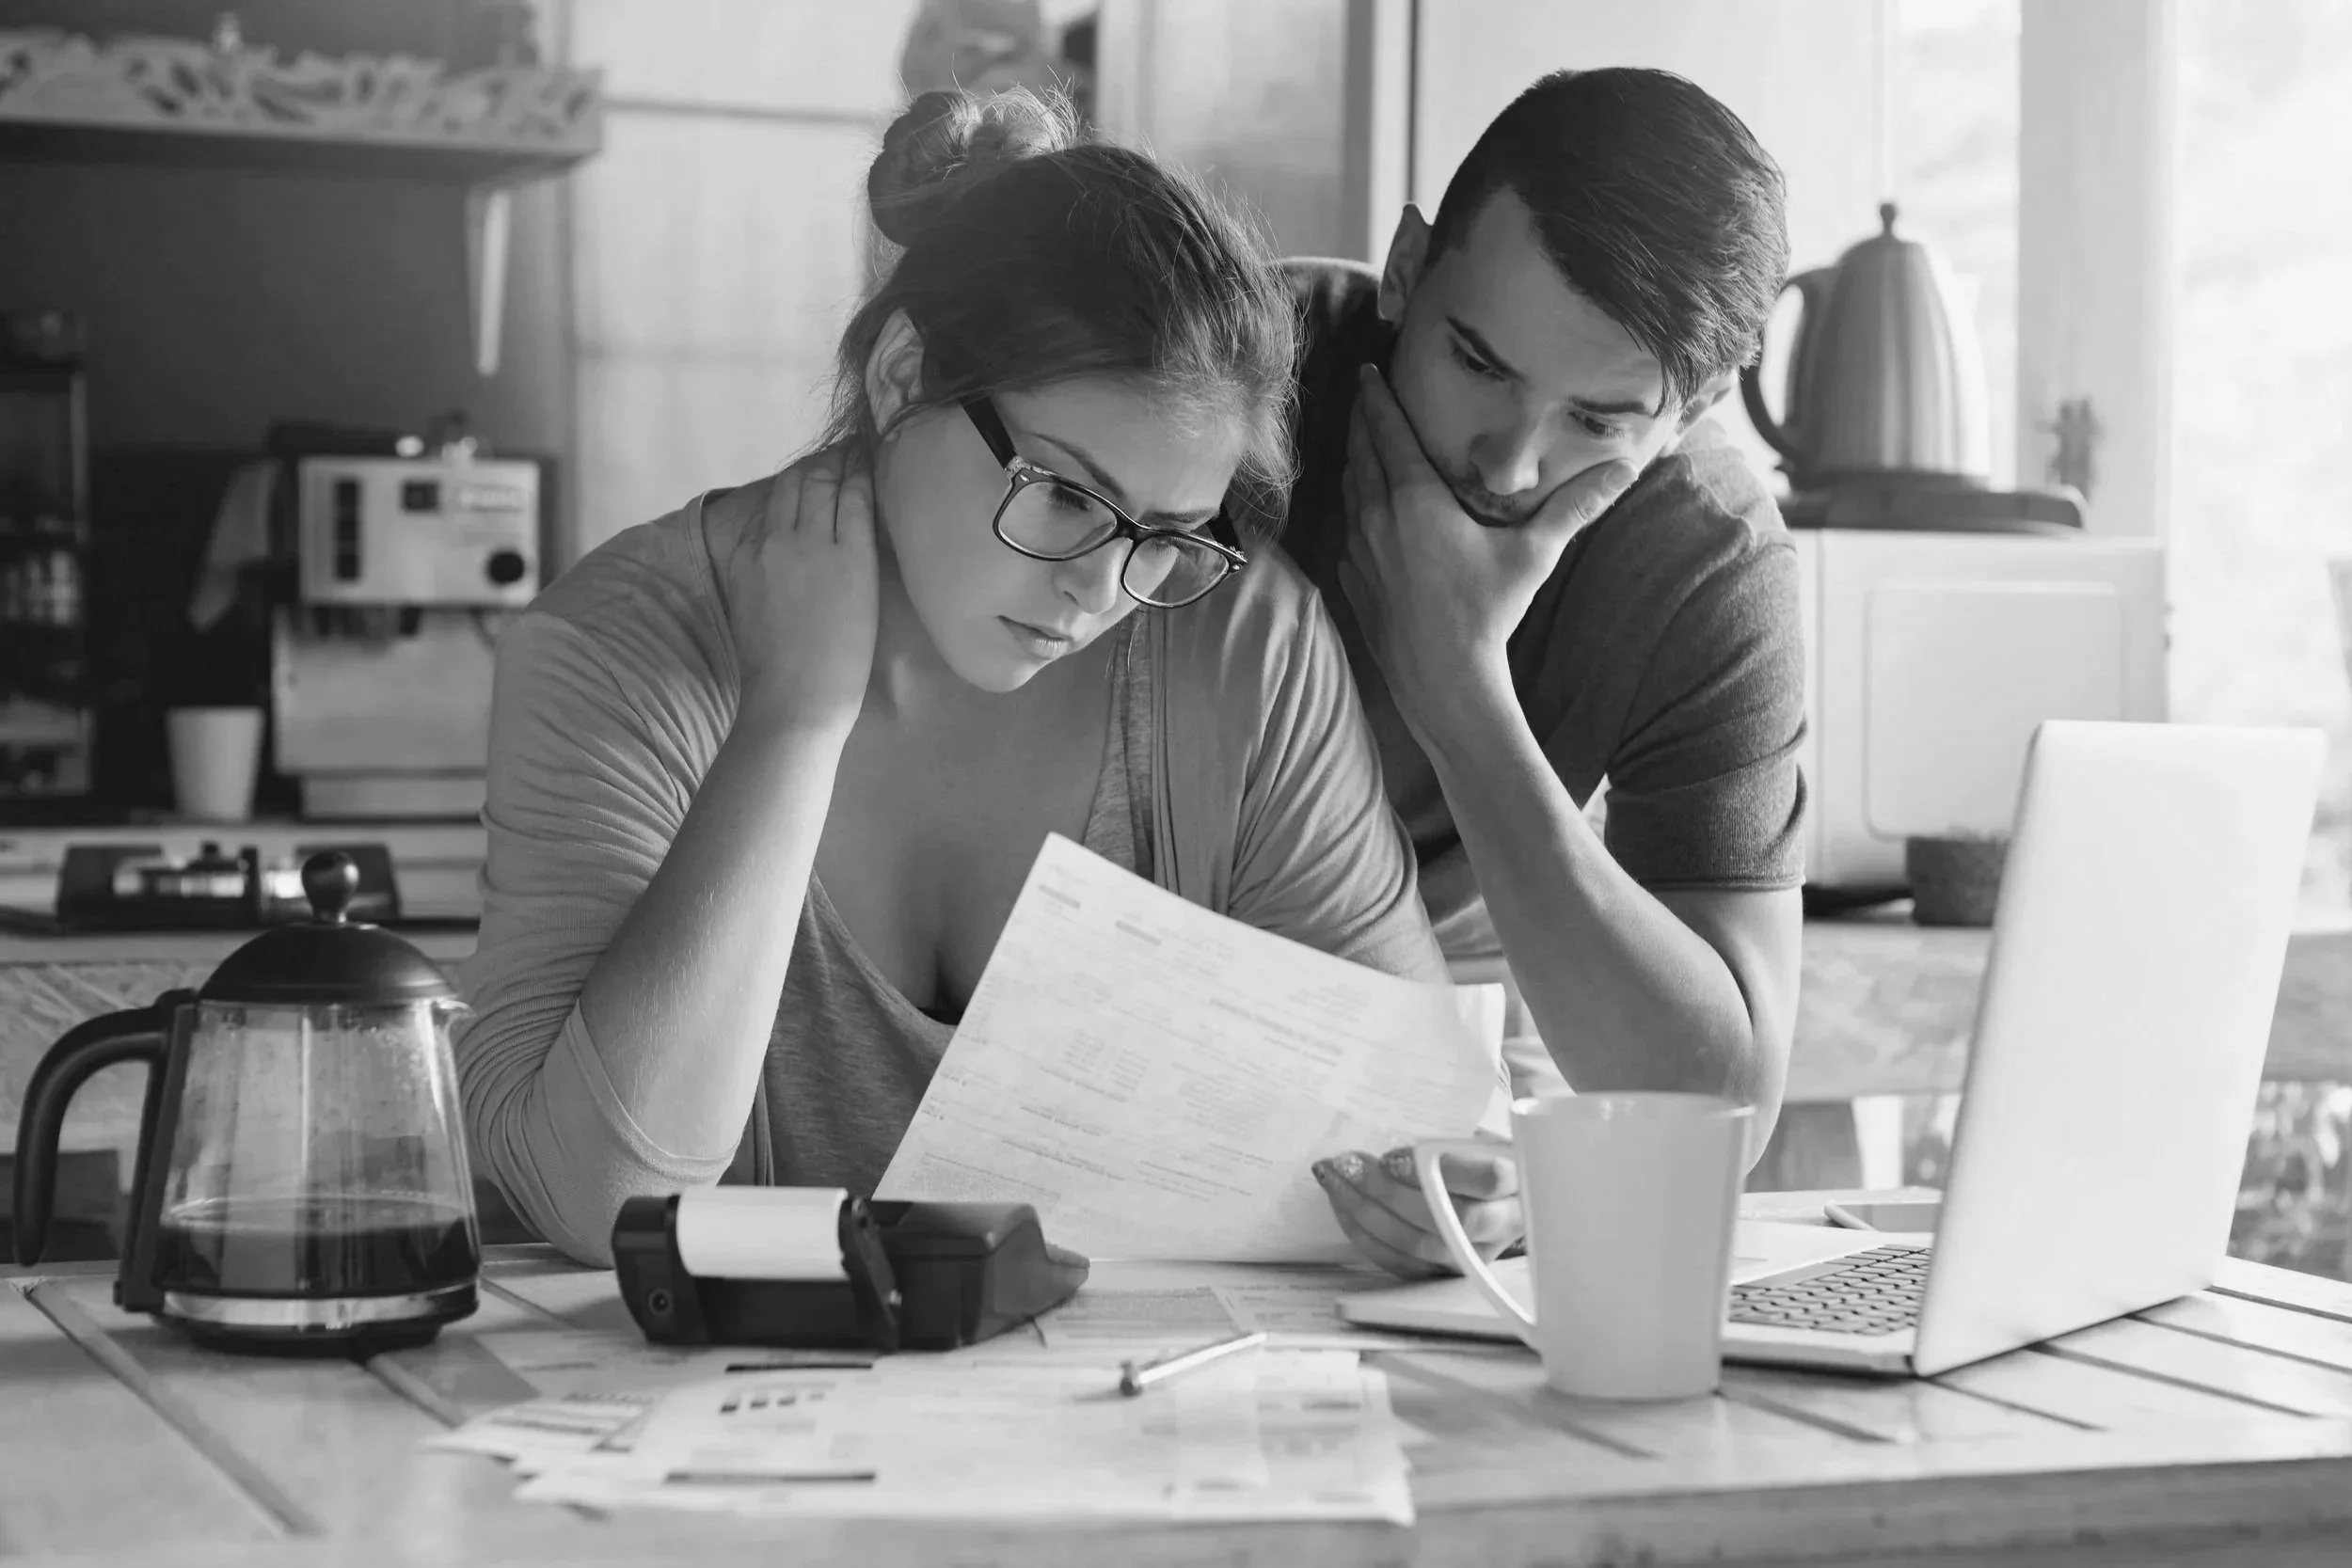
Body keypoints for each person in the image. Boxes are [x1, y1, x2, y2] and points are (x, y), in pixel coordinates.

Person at [455, 88, 1469, 1269]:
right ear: (901, 376)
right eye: (1062, 494)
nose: (1101, 588)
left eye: (1167, 534)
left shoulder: (1238, 644)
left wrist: (1450, 1192)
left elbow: (1412, 1122)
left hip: (1140, 1420)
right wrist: (792, 722)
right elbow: (599, 1200)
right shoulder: (625, 647)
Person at [1292, 69, 1809, 1275]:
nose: (1514, 464)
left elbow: (1717, 1112)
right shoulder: (1236, 372)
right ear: (1410, 269)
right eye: (1478, 363)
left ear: (1692, 410)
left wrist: (1458, 687)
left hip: (1472, 978)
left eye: (1599, 419)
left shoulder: (1707, 556)